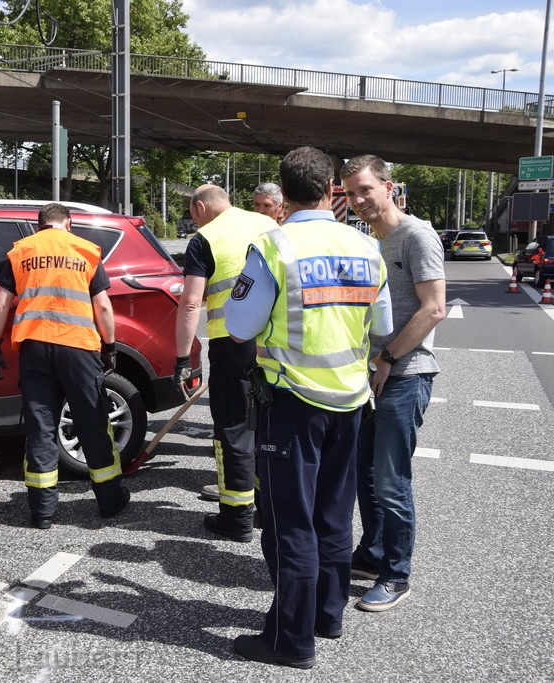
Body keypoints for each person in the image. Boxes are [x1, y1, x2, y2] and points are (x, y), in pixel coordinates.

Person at [225, 146, 392, 669]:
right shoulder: (366, 247)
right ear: (330, 191)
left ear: (285, 195)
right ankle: (328, 614)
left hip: (293, 403)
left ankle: (290, 640)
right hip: (350, 401)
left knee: (289, 523)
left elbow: (239, 326)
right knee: (334, 514)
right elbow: (383, 327)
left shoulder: (274, 246)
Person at [340, 154, 445, 612]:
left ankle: (397, 575)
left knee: (390, 480)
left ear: (388, 186)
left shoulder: (415, 235)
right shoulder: (371, 241)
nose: (359, 200)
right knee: (365, 474)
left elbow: (434, 308)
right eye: (350, 193)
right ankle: (373, 554)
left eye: (366, 189)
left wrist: (387, 357)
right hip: (372, 375)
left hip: (405, 375)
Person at [0, 202, 130, 529]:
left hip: (35, 349)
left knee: (41, 426)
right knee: (92, 423)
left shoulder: (20, 252)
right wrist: (109, 345)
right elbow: (103, 307)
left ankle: (43, 511)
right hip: (78, 348)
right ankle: (110, 500)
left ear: (40, 226)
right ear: (68, 222)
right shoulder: (86, 250)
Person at [174, 184, 277, 542]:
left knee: (233, 428)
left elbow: (190, 304)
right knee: (267, 424)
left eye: (192, 212)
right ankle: (267, 508)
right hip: (276, 343)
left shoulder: (205, 238)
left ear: (201, 207)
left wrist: (182, 356)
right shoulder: (268, 225)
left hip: (232, 345)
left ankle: (236, 517)